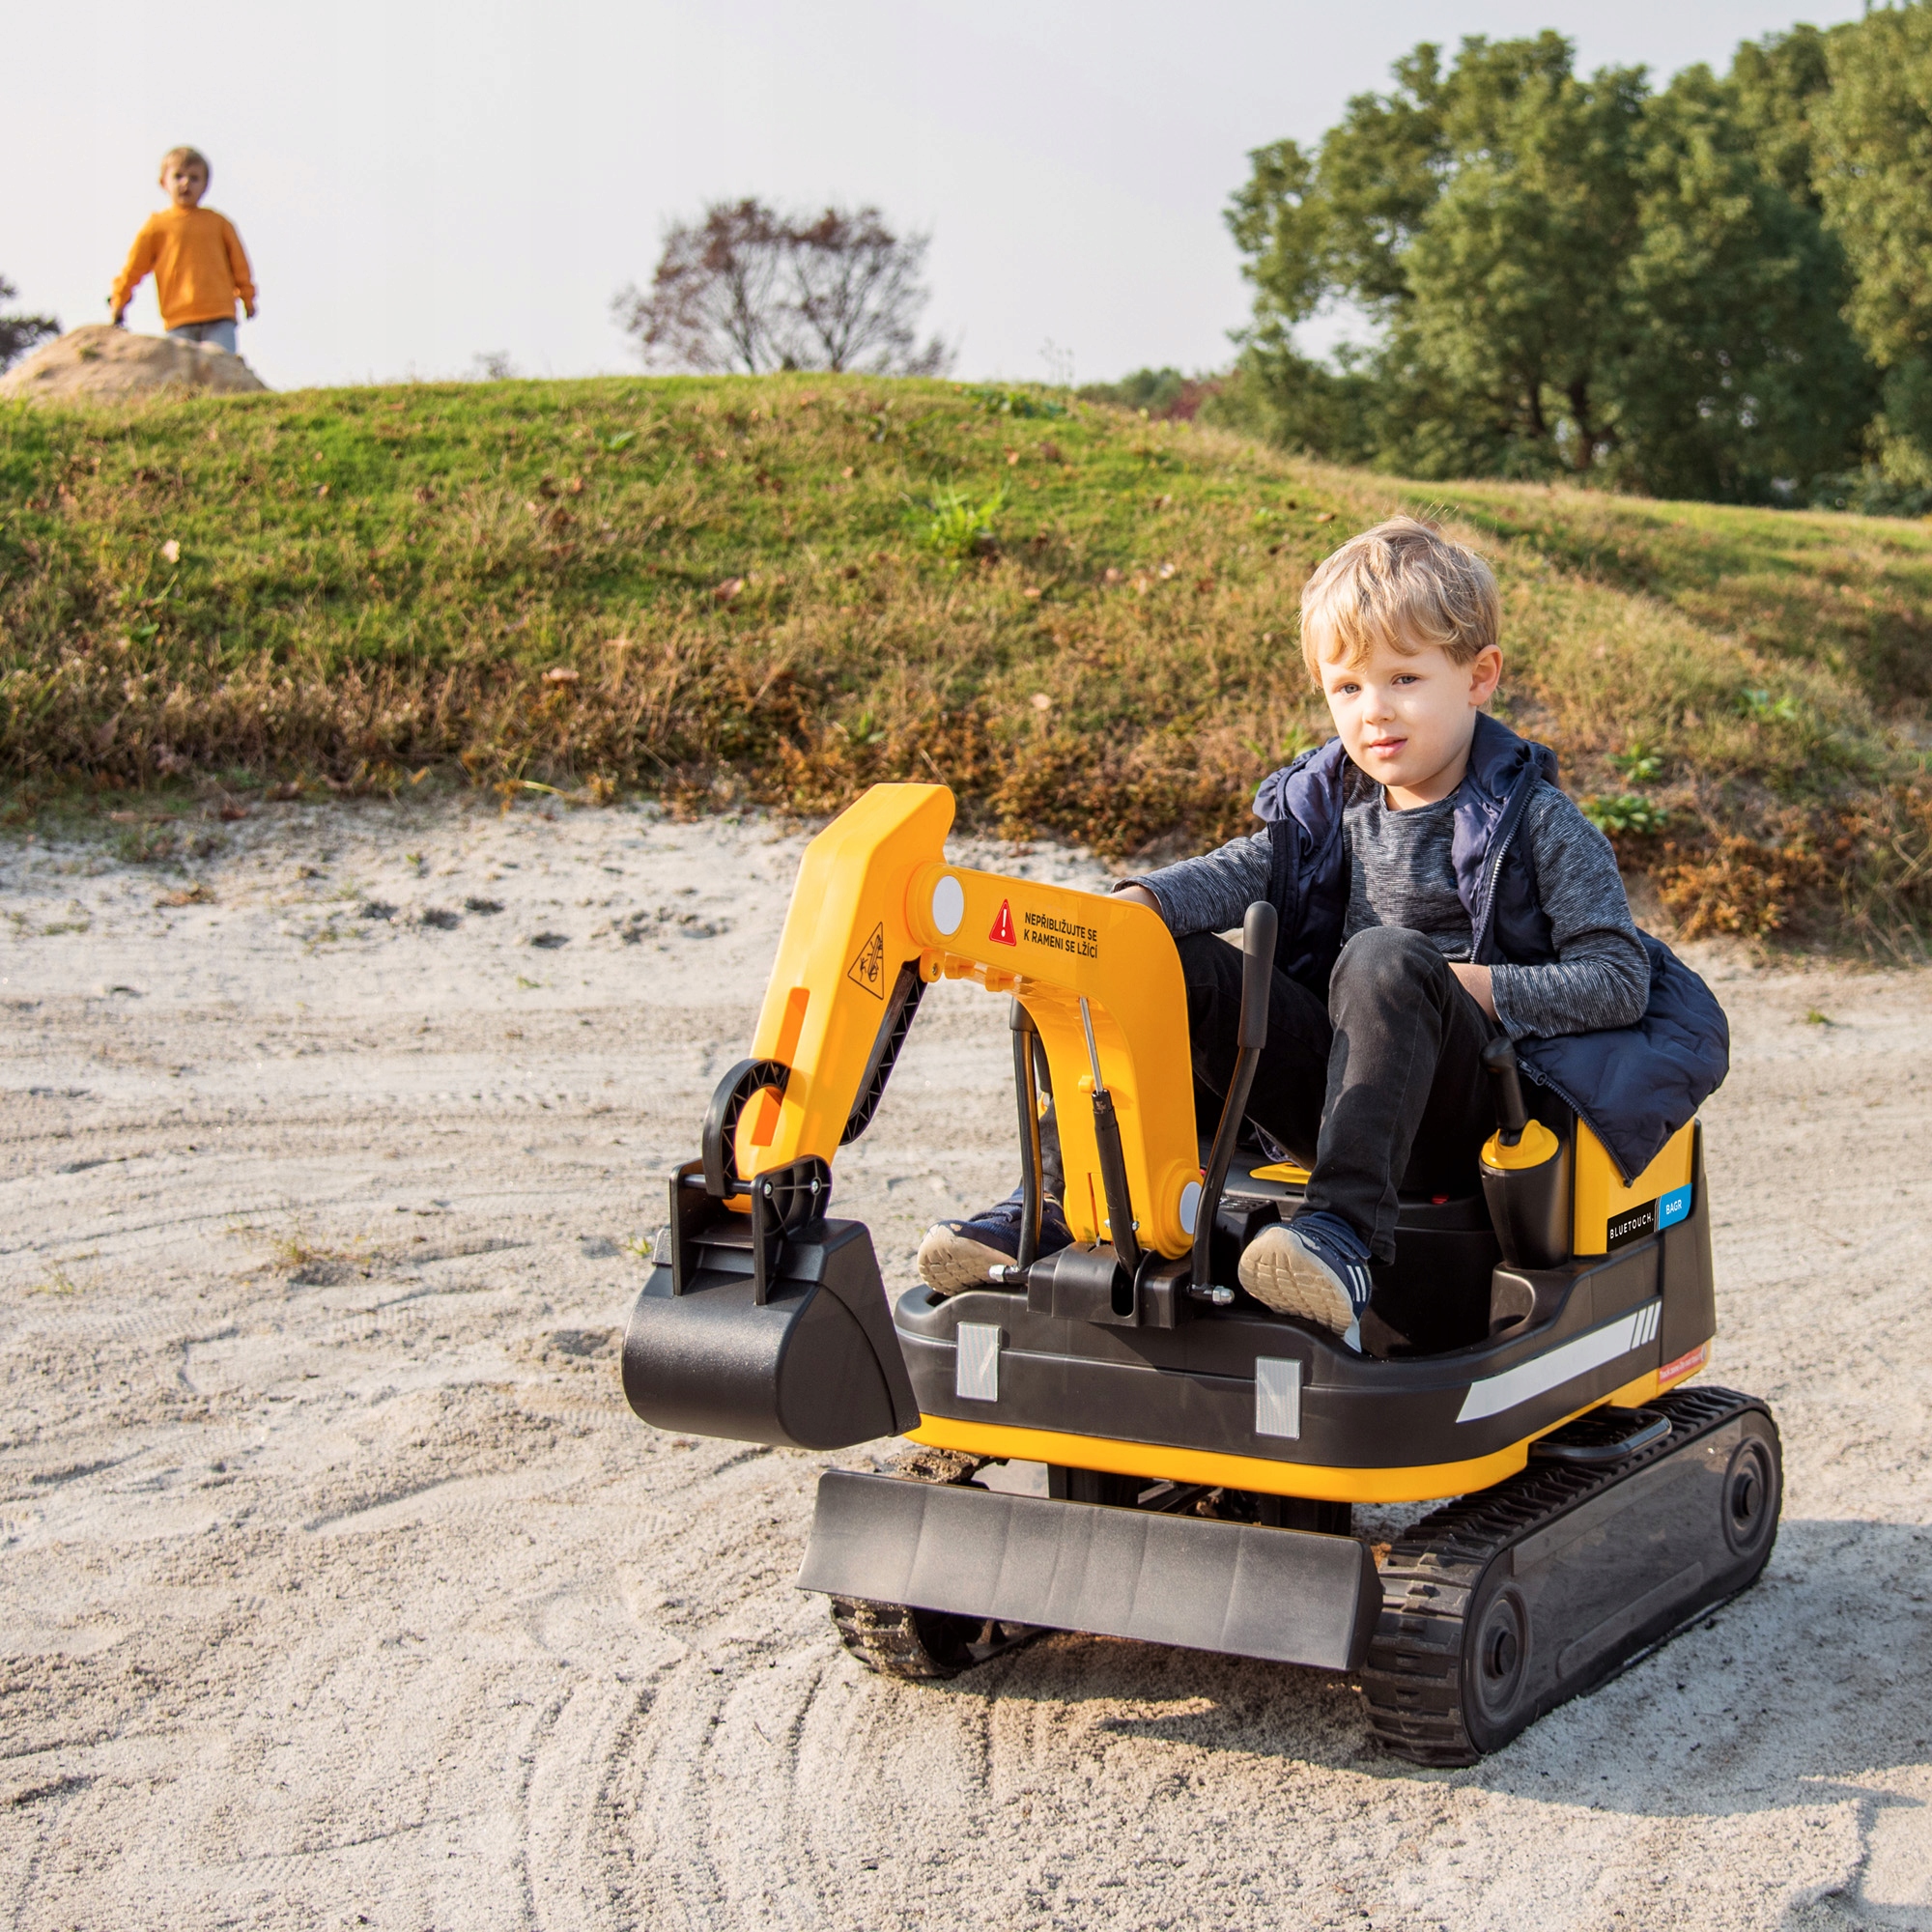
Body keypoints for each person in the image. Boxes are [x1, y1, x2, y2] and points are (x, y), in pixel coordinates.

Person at [917, 515, 1728, 1347]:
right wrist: (1135, 909)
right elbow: (1234, 873)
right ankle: (1057, 1206)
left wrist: (1474, 986)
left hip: (1469, 1112)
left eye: (1404, 679)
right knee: (1162, 961)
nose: (1373, 712)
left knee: (1380, 960)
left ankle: (1339, 1242)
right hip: (1340, 1091)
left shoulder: (1543, 825)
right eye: (1347, 688)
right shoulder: (1327, 807)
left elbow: (1619, 981)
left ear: (1480, 677)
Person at [110, 146, 256, 356]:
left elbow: (240, 265)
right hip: (178, 319)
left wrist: (247, 297)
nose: (186, 183)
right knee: (183, 380)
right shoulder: (156, 227)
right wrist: (119, 300)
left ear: (206, 185)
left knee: (222, 371)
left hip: (219, 315)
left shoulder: (219, 223)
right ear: (163, 182)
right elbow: (133, 268)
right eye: (178, 176)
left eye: (194, 178)